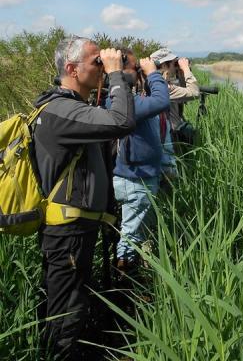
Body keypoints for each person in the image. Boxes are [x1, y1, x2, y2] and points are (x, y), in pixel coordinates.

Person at [33, 36, 135, 360]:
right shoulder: (61, 112)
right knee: (66, 316)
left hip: (76, 233)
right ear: (71, 69)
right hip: (67, 236)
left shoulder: (74, 109)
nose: (103, 68)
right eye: (97, 63)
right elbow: (121, 121)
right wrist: (118, 76)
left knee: (70, 306)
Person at [107, 49, 170, 274]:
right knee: (130, 235)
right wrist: (152, 73)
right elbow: (162, 101)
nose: (138, 71)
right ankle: (126, 284)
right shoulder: (127, 105)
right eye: (135, 68)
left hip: (136, 178)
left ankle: (133, 272)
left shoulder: (125, 101)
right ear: (121, 70)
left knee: (134, 231)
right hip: (136, 180)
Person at [149, 48, 200, 148]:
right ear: (164, 65)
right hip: (170, 136)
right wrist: (186, 69)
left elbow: (182, 89)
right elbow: (194, 93)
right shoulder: (164, 87)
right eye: (173, 63)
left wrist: (180, 73)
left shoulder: (151, 82)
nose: (175, 66)